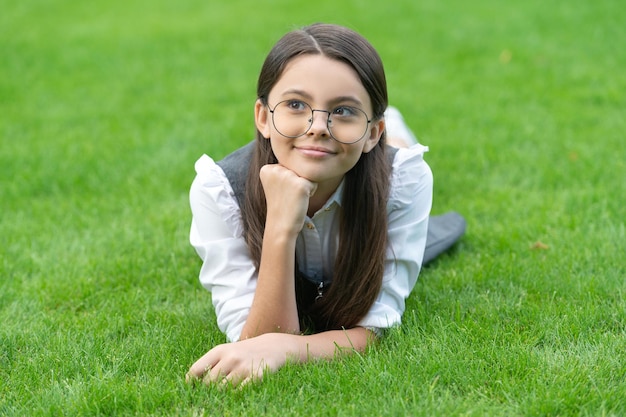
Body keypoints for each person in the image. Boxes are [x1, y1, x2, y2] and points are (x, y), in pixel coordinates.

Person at [186, 23, 463, 386]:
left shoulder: (406, 182)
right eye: (296, 105)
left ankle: (393, 130)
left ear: (372, 133)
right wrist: (281, 228)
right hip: (348, 152)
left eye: (344, 110)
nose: (317, 126)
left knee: (399, 158)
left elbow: (373, 328)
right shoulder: (218, 189)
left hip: (372, 165)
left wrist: (288, 351)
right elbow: (252, 341)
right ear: (264, 117)